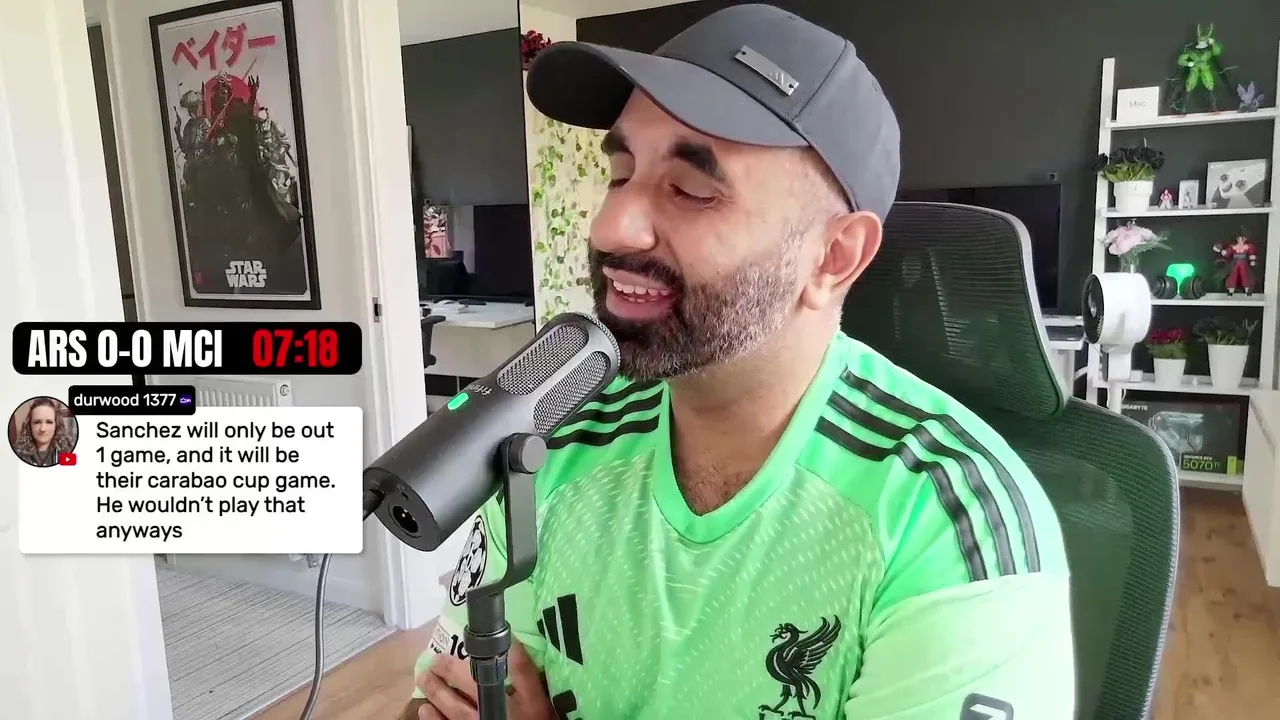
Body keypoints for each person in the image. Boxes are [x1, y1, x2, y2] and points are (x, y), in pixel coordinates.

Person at [405, 5, 1074, 719]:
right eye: (620, 174)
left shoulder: (951, 521)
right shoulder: (555, 444)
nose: (610, 227)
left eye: (692, 191)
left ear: (834, 256)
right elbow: (438, 697)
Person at [9, 397, 76, 468]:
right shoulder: (15, 452)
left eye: (49, 422)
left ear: (56, 425)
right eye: (37, 422)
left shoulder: (69, 451)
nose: (42, 429)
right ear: (29, 425)